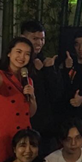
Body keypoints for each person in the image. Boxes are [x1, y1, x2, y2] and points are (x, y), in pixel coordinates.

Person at [21, 20, 63, 155]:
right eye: (35, 38)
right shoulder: (17, 63)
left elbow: (57, 95)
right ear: (23, 37)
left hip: (45, 127)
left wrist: (48, 70)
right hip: (22, 122)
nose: (39, 42)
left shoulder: (46, 62)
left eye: (42, 39)